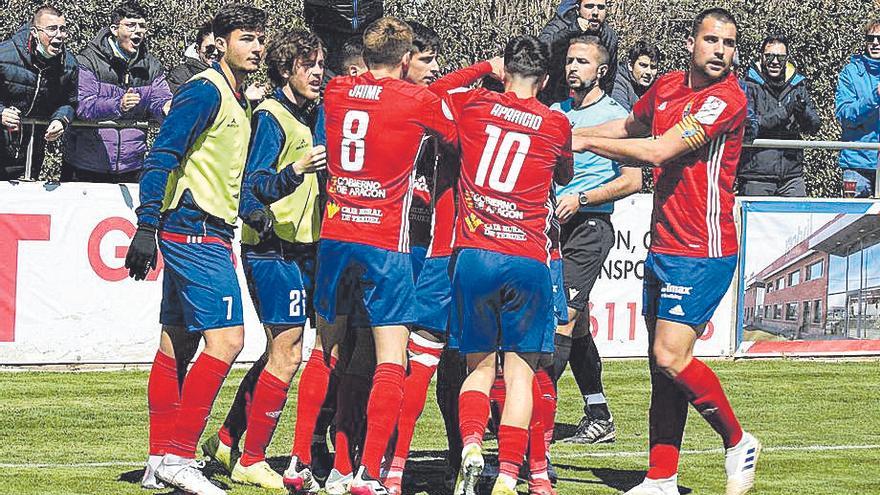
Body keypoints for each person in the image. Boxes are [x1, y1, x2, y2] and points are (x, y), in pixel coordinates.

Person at [571, 8, 761, 495]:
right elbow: (631, 127)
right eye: (712, 40)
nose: (721, 50)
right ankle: (661, 478)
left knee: (671, 356)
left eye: (729, 43)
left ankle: (738, 440)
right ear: (692, 42)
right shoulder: (669, 86)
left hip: (704, 247)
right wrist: (566, 130)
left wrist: (584, 143)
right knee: (662, 368)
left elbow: (657, 152)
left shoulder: (727, 100)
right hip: (664, 243)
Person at [282, 17, 458, 495]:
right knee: (389, 358)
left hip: (336, 233)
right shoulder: (417, 99)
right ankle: (368, 473)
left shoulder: (339, 90)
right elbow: (453, 136)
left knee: (325, 350)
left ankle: (298, 463)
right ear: (405, 60)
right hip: (386, 241)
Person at [123, 4, 267, 494]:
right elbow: (162, 154)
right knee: (228, 343)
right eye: (247, 37)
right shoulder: (205, 90)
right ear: (219, 41)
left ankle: (158, 456)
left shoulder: (235, 95)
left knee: (176, 345)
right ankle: (182, 458)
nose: (257, 47)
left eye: (260, 38)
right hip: (194, 229)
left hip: (205, 227)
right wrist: (146, 225)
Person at [198, 29, 328, 490]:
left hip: (304, 247)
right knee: (289, 353)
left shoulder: (311, 115)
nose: (317, 72)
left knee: (280, 351)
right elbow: (253, 185)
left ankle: (228, 438)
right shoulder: (272, 116)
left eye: (320, 64)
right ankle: (252, 458)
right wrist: (293, 174)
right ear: (285, 68)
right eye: (307, 64)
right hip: (272, 247)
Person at [448, 34, 574, 495]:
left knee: (477, 369)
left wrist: (482, 66)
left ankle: (472, 446)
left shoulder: (475, 105)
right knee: (521, 373)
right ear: (543, 80)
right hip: (526, 258)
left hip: (474, 254)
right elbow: (564, 174)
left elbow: (435, 92)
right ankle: (506, 476)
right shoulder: (554, 122)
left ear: (506, 74)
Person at [383, 21, 504, 495]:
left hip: (436, 255)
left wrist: (477, 71)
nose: (435, 68)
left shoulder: (450, 112)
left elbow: (436, 91)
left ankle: (393, 470)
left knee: (418, 365)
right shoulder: (523, 121)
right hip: (483, 255)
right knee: (497, 363)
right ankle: (507, 464)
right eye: (426, 56)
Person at [551, 36, 641, 446]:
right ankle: (599, 413)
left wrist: (582, 197)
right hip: (550, 228)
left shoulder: (617, 115)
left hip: (589, 226)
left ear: (601, 71)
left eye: (583, 61)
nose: (573, 68)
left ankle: (530, 409)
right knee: (579, 323)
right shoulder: (555, 112)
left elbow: (633, 180)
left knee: (562, 320)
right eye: (570, 60)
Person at [62, 0, 172, 183]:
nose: (138, 31)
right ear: (114, 29)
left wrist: (166, 108)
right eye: (130, 25)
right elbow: (84, 105)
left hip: (131, 167)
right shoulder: (88, 60)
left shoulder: (151, 66)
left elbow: (159, 98)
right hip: (86, 166)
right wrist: (118, 105)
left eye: (142, 26)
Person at [0, 5, 77, 180]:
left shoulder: (69, 64)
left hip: (30, 154)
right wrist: (1, 112)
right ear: (34, 32)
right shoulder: (4, 55)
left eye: (62, 29)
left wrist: (61, 119)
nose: (59, 35)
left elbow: (70, 101)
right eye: (51, 29)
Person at [739, 33, 820, 196]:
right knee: (755, 222)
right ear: (761, 57)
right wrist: (785, 111)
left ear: (787, 58)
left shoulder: (797, 85)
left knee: (799, 221)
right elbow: (749, 126)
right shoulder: (747, 85)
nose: (775, 62)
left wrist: (802, 113)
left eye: (780, 57)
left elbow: (814, 126)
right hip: (756, 177)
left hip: (792, 176)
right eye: (769, 56)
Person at [539, 0, 618, 102]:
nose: (595, 12)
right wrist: (572, 31)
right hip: (551, 94)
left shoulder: (608, 36)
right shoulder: (562, 23)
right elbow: (540, 49)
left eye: (601, 7)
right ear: (578, 9)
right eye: (589, 7)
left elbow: (608, 79)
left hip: (587, 99)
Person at [835, 19, 880, 197]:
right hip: (857, 165)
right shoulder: (850, 73)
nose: (875, 43)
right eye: (871, 38)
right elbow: (844, 114)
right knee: (853, 224)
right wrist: (874, 97)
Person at [167, 21, 219, 93]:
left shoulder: (229, 73)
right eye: (210, 48)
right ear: (198, 49)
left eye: (219, 48)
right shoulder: (180, 76)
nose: (215, 52)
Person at [611, 40, 661, 111]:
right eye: (643, 65)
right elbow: (620, 115)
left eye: (653, 67)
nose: (649, 72)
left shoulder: (655, 86)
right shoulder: (617, 82)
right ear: (630, 65)